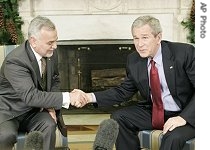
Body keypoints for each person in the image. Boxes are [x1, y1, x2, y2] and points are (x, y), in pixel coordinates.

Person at [74, 15, 195, 150]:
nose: (139, 44)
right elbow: (123, 91)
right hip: (156, 113)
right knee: (118, 118)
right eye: (135, 38)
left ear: (158, 37)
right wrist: (89, 97)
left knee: (173, 137)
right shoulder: (134, 60)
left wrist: (182, 118)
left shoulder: (184, 53)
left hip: (188, 113)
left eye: (145, 37)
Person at [0, 16, 86, 150]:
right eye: (50, 43)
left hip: (34, 110)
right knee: (5, 135)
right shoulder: (16, 61)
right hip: (10, 112)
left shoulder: (50, 52)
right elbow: (31, 96)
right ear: (33, 41)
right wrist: (69, 97)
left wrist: (50, 107)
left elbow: (54, 79)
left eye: (56, 41)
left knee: (48, 124)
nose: (55, 46)